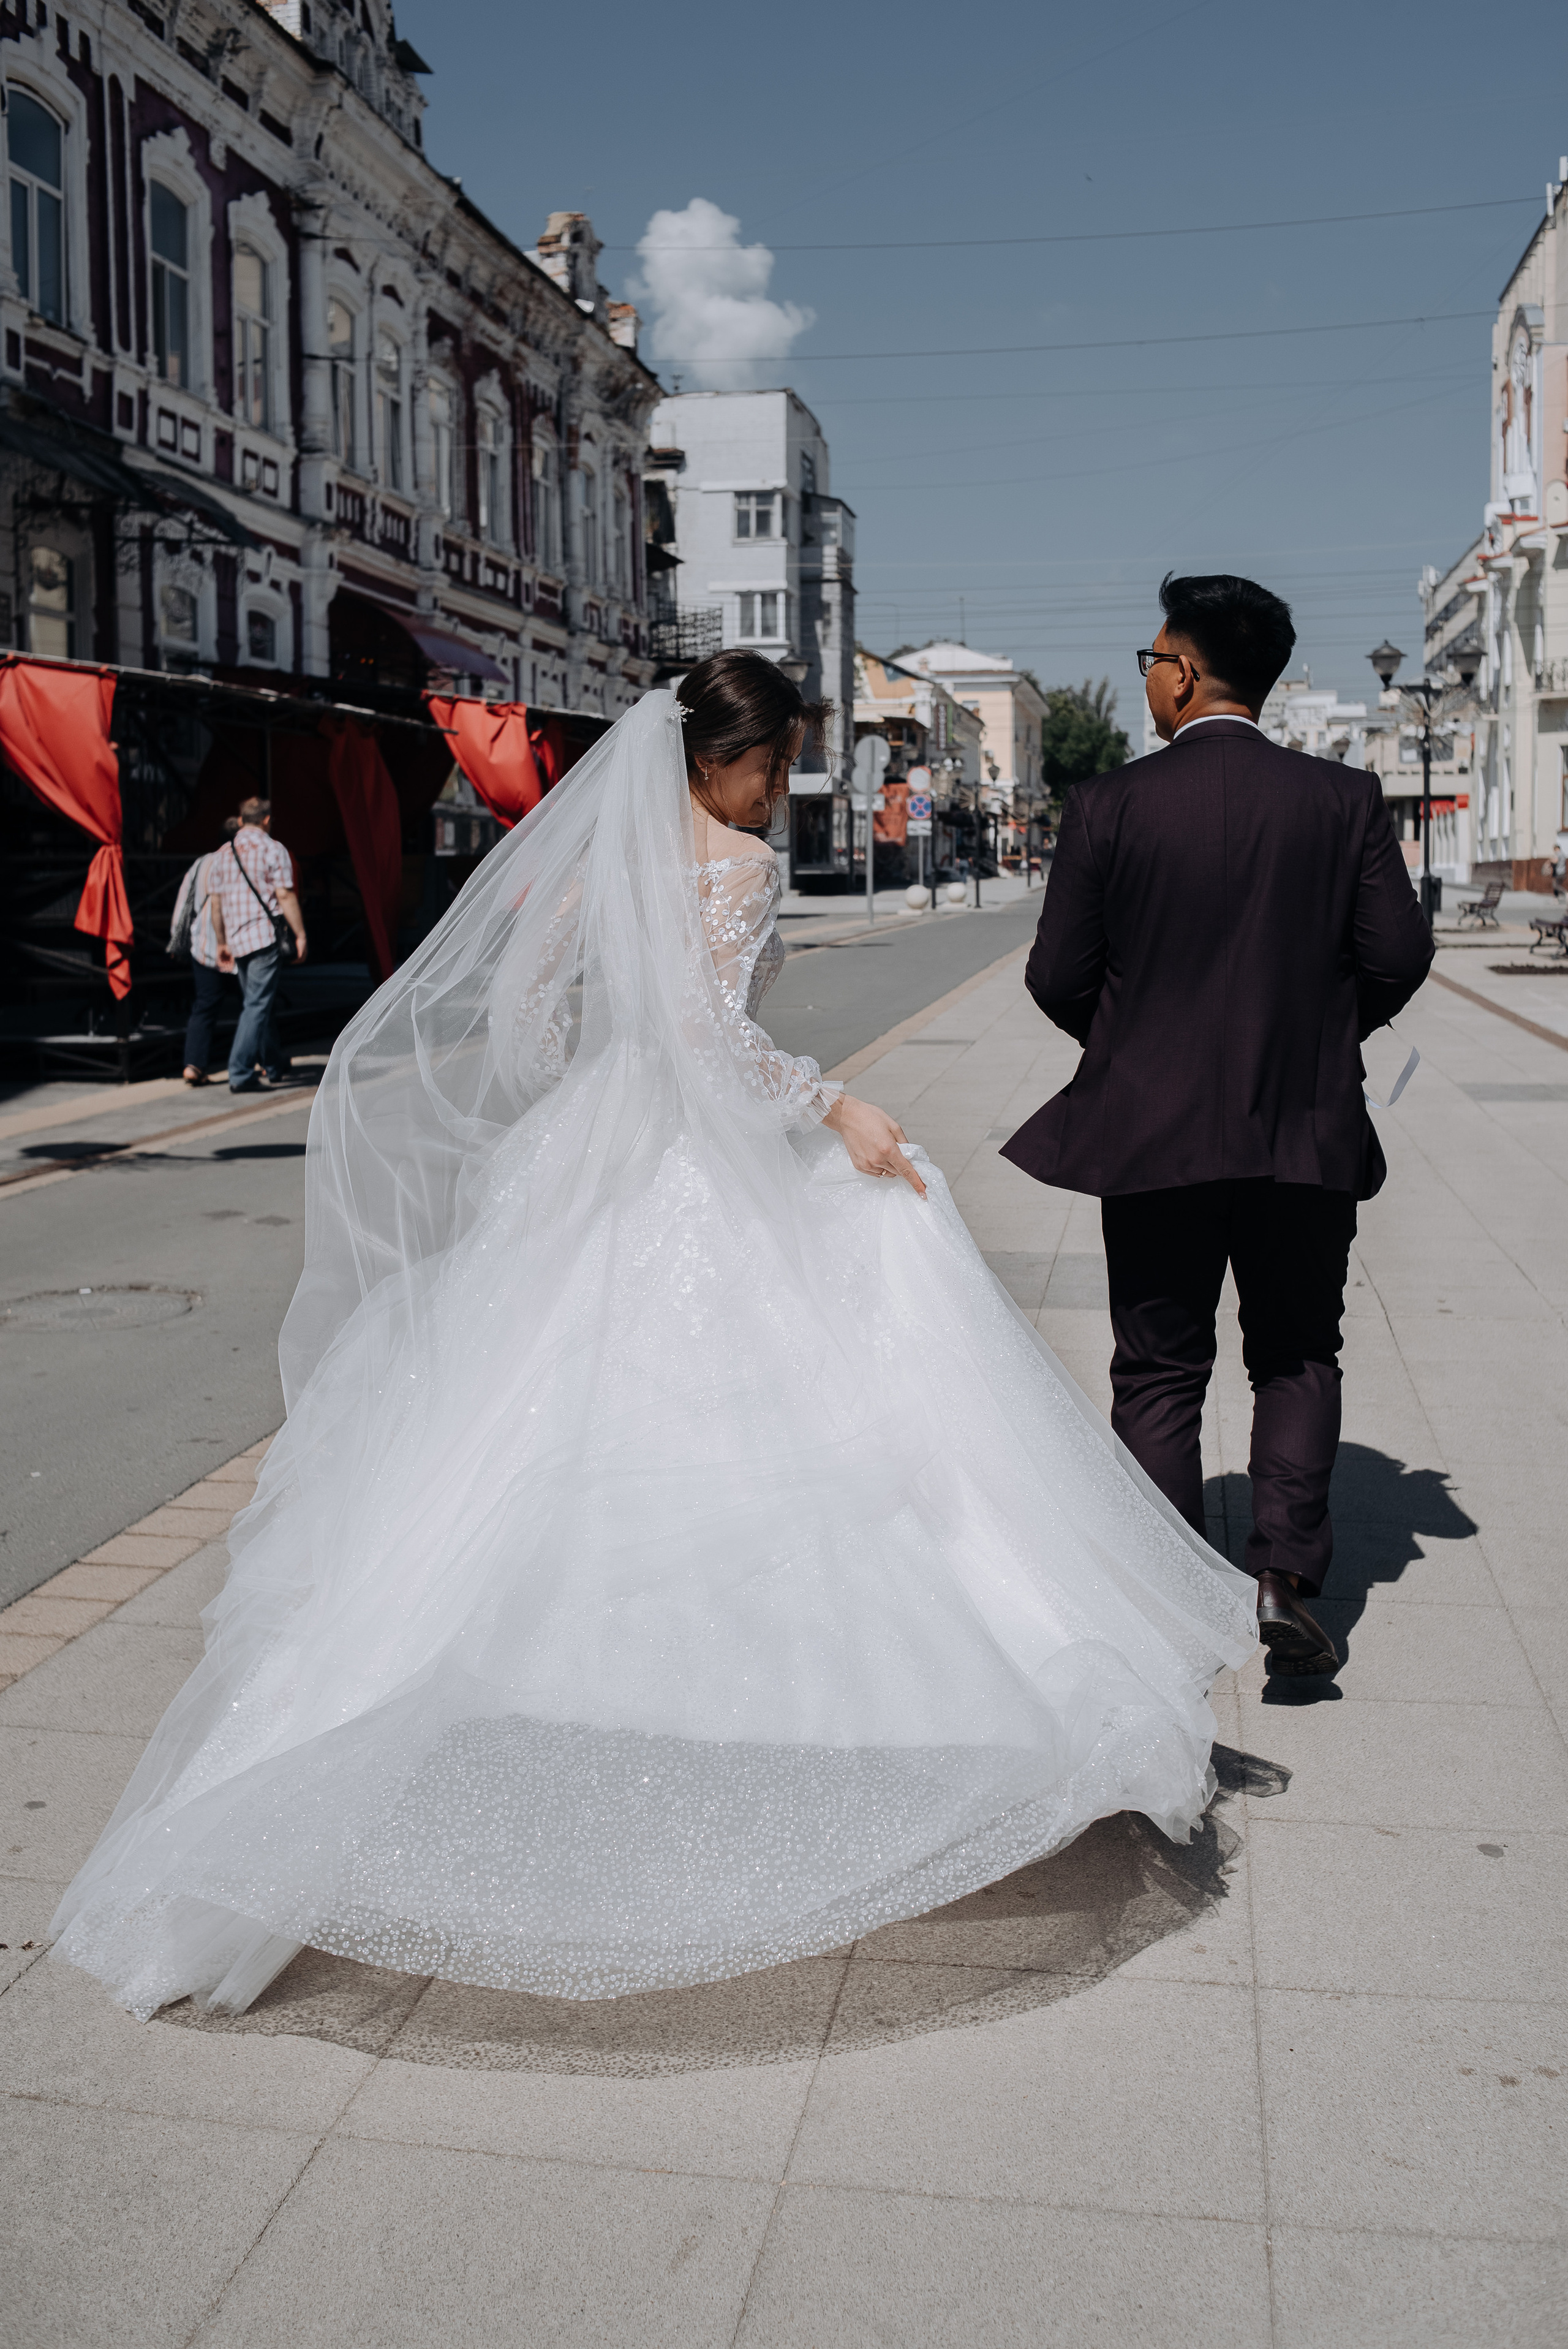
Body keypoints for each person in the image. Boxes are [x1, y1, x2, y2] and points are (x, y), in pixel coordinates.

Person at [51, 653, 1256, 2022]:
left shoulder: (596, 867)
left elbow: (527, 1013)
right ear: (718, 761)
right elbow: (707, 1036)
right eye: (773, 759)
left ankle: (398, 1751)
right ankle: (797, 1726)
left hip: (597, 1151)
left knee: (515, 1449)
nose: (779, 785)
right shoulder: (732, 869)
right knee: (797, 1410)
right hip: (695, 1162)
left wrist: (599, 1094)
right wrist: (833, 1108)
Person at [1003, 575, 1435, 1676]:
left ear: (1186, 670)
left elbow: (1058, 974)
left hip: (1153, 1134)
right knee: (1296, 1349)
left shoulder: (1109, 805)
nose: (1147, 672)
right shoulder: (1344, 799)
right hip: (1303, 1127)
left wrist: (1136, 1043)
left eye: (1152, 656)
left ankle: (1159, 1595)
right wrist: (1321, 1034)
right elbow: (1399, 955)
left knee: (1158, 1366)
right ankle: (1282, 1578)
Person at [210, 795, 307, 1092]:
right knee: (257, 1005)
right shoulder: (273, 849)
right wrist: (300, 934)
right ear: (266, 820)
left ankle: (274, 1063)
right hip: (264, 936)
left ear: (241, 821)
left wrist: (221, 942)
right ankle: (240, 1072)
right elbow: (285, 895)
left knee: (256, 1005)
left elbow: (216, 902)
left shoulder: (223, 853)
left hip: (237, 939)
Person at [168, 816, 238, 1086]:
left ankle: (194, 1065)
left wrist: (178, 938)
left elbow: (184, 902)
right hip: (237, 943)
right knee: (255, 1004)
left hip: (202, 943)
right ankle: (266, 1060)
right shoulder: (239, 861)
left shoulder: (201, 863)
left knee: (205, 1005)